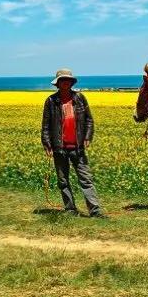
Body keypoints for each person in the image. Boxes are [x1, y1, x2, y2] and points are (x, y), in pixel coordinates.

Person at [41, 68, 105, 217]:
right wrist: (47, 143)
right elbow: (45, 125)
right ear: (58, 83)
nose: (66, 83)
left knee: (86, 180)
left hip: (78, 147)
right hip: (59, 148)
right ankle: (70, 209)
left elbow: (89, 120)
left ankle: (95, 212)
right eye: (63, 80)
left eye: (68, 80)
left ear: (71, 82)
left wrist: (88, 136)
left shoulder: (80, 98)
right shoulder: (51, 101)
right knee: (63, 181)